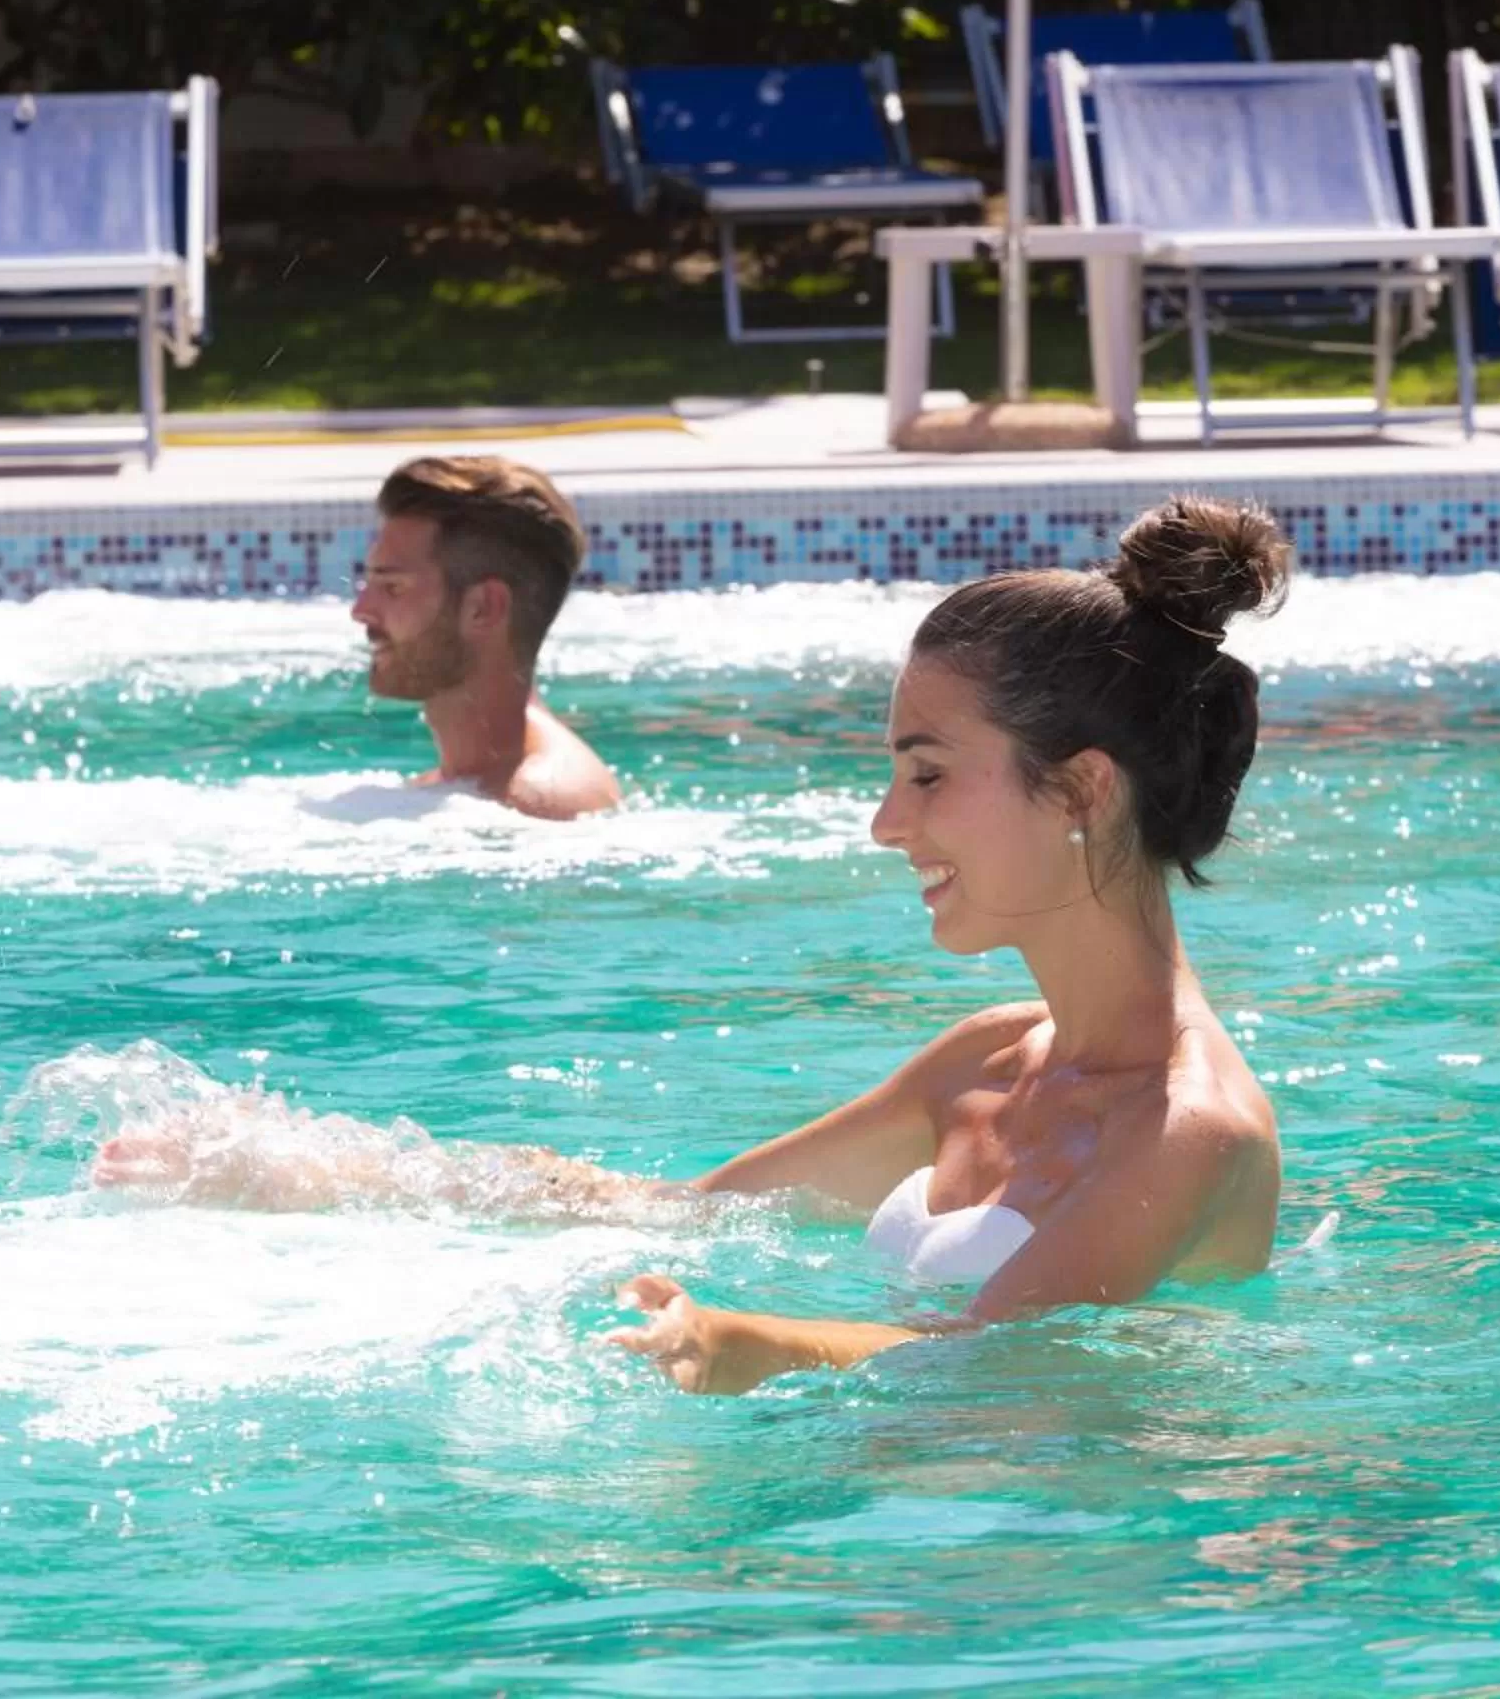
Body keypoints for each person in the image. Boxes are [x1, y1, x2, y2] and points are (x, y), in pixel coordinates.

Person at [98, 495, 1290, 1395]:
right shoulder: (987, 1061)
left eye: (927, 772)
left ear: (1079, 790)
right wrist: (333, 1172)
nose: (886, 821)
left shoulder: (1190, 1131)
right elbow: (689, 1208)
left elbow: (993, 1365)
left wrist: (753, 1342)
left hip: (1092, 1591)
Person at [352, 455, 620, 821]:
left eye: (393, 587)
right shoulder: (457, 792)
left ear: (483, 608)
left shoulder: (539, 807)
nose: (361, 609)